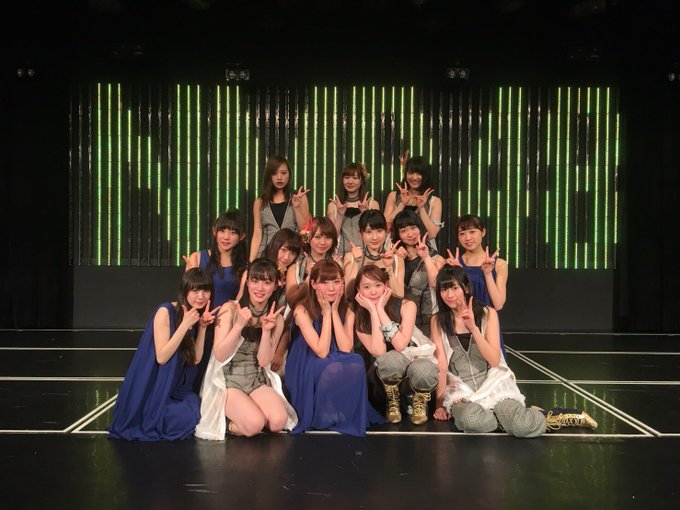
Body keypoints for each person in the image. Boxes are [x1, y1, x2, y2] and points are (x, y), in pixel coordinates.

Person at [430, 266, 597, 437]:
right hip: (462, 390)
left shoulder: (488, 314)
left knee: (520, 426)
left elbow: (494, 360)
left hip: (492, 382)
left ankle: (550, 417)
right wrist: (439, 404)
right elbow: (441, 365)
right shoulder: (437, 321)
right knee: (470, 421)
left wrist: (474, 329)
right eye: (444, 289)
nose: (449, 295)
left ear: (466, 288)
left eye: (454, 288)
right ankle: (509, 419)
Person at [109, 268, 220, 441]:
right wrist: (185, 326)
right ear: (185, 290)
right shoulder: (165, 311)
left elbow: (195, 359)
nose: (201, 296)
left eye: (205, 291)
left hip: (174, 386)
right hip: (153, 384)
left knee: (198, 408)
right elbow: (162, 357)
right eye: (195, 290)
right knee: (184, 418)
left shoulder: (192, 316)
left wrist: (203, 327)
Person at [196, 259, 297, 439]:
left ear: (275, 286)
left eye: (267, 283)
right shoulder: (230, 309)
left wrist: (266, 331)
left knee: (278, 422)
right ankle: (228, 423)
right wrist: (239, 326)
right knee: (254, 425)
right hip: (228, 381)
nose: (260, 288)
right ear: (248, 282)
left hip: (255, 379)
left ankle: (248, 409)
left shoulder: (277, 318)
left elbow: (264, 361)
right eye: (255, 281)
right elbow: (220, 354)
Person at [286, 260, 386, 436]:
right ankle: (323, 411)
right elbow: (321, 351)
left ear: (342, 282)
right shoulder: (302, 310)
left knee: (356, 361)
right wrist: (326, 314)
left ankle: (341, 411)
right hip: (307, 361)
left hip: (334, 353)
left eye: (336, 281)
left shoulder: (348, 309)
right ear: (314, 284)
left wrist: (333, 312)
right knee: (329, 366)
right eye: (325, 282)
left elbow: (346, 348)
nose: (332, 288)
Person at [346, 265, 438, 425]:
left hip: (414, 361)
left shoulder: (407, 305)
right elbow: (379, 351)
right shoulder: (358, 312)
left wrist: (380, 310)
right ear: (358, 290)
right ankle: (392, 400)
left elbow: (400, 344)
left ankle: (418, 400)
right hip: (383, 376)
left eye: (378, 285)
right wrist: (373, 312)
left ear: (386, 286)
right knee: (390, 359)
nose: (373, 292)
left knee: (423, 368)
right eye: (366, 287)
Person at [183, 210, 248, 391]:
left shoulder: (244, 267)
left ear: (242, 237)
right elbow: (187, 295)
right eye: (222, 230)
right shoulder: (197, 257)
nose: (226, 237)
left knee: (215, 381)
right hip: (197, 324)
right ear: (214, 231)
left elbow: (239, 300)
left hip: (223, 328)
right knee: (192, 374)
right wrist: (190, 276)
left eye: (233, 232)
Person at [392, 209, 445, 337]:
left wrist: (426, 257)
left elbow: (437, 285)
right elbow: (396, 293)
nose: (410, 234)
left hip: (429, 323)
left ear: (420, 228)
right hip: (400, 321)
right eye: (403, 231)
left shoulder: (435, 258)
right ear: (398, 235)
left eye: (413, 228)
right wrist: (398, 260)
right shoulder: (392, 259)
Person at [249, 155, 310, 260]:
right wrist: (251, 261)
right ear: (269, 176)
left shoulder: (300, 197)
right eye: (274, 173)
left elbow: (305, 230)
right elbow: (257, 233)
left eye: (283, 173)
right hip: (267, 254)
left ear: (289, 174)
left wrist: (296, 207)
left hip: (292, 255)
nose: (279, 177)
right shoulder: (260, 202)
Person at [263, 228, 303, 373]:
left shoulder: (292, 279)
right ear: (275, 246)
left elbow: (289, 319)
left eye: (292, 253)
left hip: (281, 339)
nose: (287, 257)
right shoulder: (258, 270)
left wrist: (279, 353)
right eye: (283, 250)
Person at [383, 153, 442, 248]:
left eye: (419, 174)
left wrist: (421, 208)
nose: (414, 177)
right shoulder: (393, 196)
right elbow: (384, 227)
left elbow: (432, 234)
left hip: (423, 249)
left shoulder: (435, 201)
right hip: (395, 248)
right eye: (411, 173)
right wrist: (402, 204)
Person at [342, 209, 404, 300]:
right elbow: (348, 296)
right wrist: (355, 263)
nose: (374, 237)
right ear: (360, 234)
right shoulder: (351, 257)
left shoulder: (397, 259)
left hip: (387, 307)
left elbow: (399, 296)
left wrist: (389, 267)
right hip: (360, 307)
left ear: (386, 231)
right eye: (369, 232)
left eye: (379, 231)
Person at [327, 162, 379, 258]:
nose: (350, 182)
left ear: (361, 181)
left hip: (367, 257)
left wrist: (365, 213)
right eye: (347, 177)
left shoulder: (372, 204)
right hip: (341, 257)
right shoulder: (333, 206)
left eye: (355, 178)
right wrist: (340, 215)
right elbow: (332, 236)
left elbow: (376, 234)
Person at [285, 216, 338, 309]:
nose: (323, 242)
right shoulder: (296, 268)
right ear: (308, 238)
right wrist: (309, 277)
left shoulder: (338, 264)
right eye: (317, 237)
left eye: (328, 237)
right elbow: (291, 301)